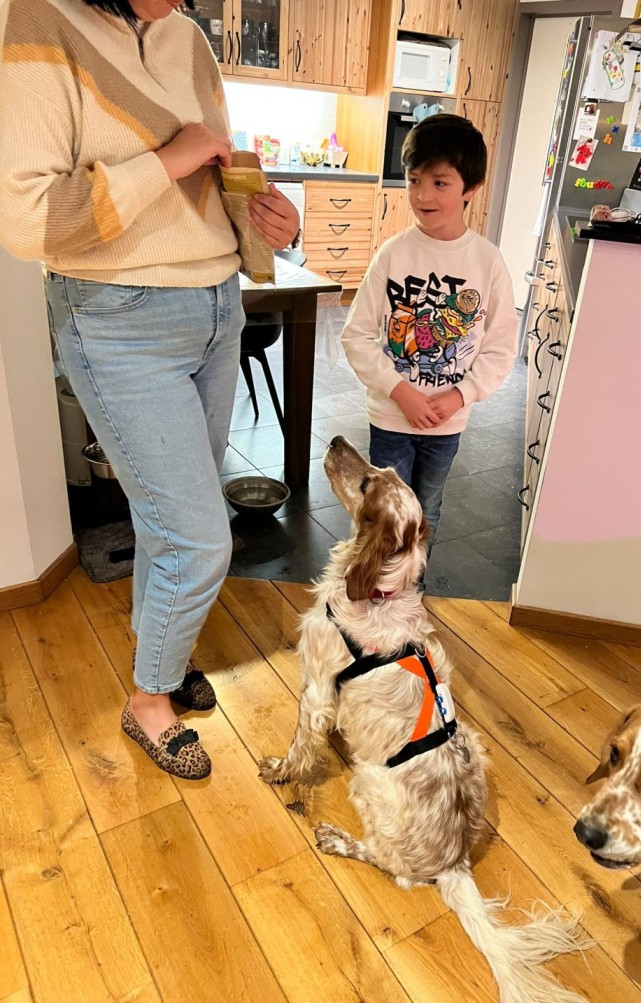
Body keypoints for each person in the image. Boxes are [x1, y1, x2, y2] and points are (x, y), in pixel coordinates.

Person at [0, 0, 300, 780]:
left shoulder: (187, 37)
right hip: (116, 316)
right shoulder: (42, 19)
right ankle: (148, 700)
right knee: (202, 534)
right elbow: (26, 217)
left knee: (170, 521)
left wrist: (268, 218)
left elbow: (214, 179)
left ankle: (163, 659)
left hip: (216, 305)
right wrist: (167, 159)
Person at [341, 113, 518, 555]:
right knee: (383, 513)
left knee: (428, 511)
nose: (422, 195)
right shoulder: (393, 254)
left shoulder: (488, 261)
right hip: (391, 417)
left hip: (448, 422)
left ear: (470, 190)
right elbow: (356, 335)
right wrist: (401, 391)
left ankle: (412, 593)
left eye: (440, 182)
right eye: (414, 179)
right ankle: (374, 594)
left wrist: (462, 395)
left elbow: (500, 348)